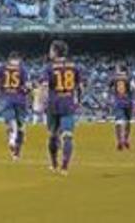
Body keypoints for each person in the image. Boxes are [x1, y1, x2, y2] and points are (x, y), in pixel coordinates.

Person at [45, 40, 82, 175]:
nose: (49, 53)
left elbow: (44, 85)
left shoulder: (50, 67)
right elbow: (79, 86)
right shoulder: (74, 67)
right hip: (68, 103)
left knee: (52, 135)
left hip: (54, 104)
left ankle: (54, 164)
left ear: (55, 51)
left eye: (51, 50)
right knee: (67, 135)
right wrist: (78, 100)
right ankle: (65, 167)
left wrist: (41, 101)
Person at [0, 52, 28, 161]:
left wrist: (0, 88)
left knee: (10, 122)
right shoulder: (22, 69)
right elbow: (25, 86)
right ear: (18, 58)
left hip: (6, 98)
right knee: (21, 126)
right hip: (20, 99)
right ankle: (17, 153)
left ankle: (12, 138)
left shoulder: (2, 67)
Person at [110, 63, 135, 151]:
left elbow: (109, 88)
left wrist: (114, 94)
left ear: (119, 69)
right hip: (128, 102)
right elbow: (134, 89)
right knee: (128, 122)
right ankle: (126, 139)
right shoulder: (129, 78)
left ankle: (119, 141)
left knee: (118, 122)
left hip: (118, 102)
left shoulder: (114, 78)